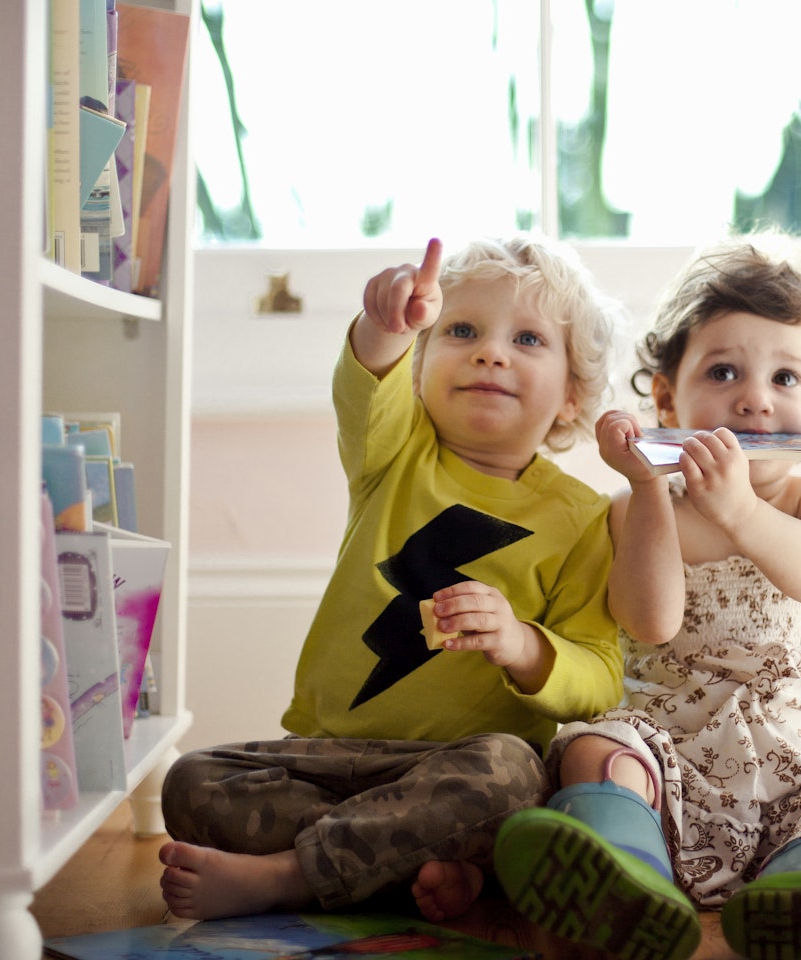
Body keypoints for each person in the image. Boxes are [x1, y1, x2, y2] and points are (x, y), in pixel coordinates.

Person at [493, 235, 801, 960]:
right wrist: (647, 487)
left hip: (795, 775)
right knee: (592, 749)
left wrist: (742, 513)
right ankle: (626, 878)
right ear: (669, 399)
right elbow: (651, 618)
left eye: (787, 378)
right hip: (667, 768)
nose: (755, 397)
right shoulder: (641, 507)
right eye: (725, 371)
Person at [158, 235, 625, 925]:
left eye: (528, 339)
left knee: (514, 779)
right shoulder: (392, 454)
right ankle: (420, 867)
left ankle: (288, 876)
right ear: (420, 366)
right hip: (324, 756)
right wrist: (386, 326)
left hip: (455, 768)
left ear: (572, 396)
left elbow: (601, 676)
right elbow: (364, 383)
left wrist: (521, 642)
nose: (490, 351)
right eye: (461, 331)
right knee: (190, 782)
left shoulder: (585, 520)